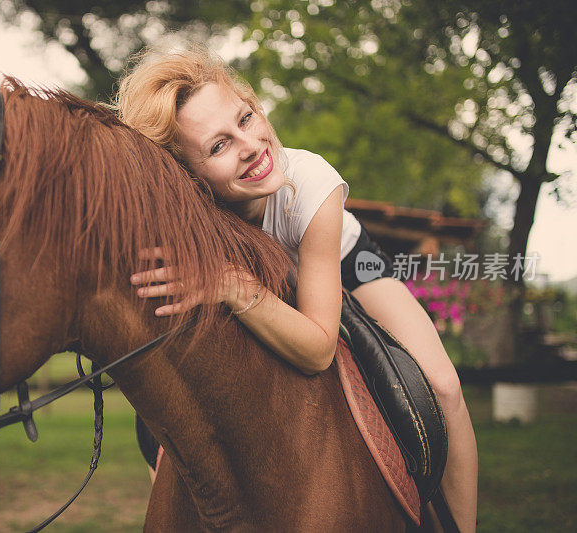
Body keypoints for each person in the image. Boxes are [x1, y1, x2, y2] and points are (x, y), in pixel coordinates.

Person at [115, 46, 477, 532]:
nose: (250, 145)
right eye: (218, 146)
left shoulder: (311, 181)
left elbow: (317, 350)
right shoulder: (190, 217)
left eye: (245, 118)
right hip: (257, 279)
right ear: (189, 178)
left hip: (350, 266)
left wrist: (230, 285)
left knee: (443, 386)